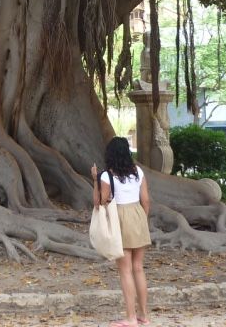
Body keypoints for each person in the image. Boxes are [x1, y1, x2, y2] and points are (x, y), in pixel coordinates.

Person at [91, 136, 151, 327]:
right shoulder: (138, 171)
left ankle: (131, 318)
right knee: (138, 268)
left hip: (120, 218)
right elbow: (146, 200)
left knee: (125, 270)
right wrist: (142, 219)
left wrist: (95, 180)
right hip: (138, 215)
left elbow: (99, 202)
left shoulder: (106, 176)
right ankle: (143, 315)